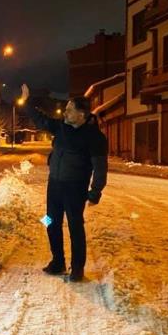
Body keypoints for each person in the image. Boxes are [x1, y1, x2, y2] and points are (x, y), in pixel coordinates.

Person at [20, 85, 108, 282]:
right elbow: (41, 120)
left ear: (81, 114)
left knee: (75, 226)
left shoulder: (95, 137)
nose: (65, 112)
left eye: (69, 110)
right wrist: (26, 102)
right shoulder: (61, 127)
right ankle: (57, 261)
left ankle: (77, 268)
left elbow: (100, 167)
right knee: (49, 221)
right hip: (54, 185)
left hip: (75, 189)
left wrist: (95, 192)